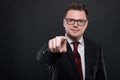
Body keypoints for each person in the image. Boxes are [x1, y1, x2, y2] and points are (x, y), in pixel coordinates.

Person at [36, 2, 107, 80]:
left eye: (80, 21)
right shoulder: (56, 44)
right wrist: (51, 49)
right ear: (64, 22)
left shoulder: (96, 48)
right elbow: (41, 58)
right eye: (71, 20)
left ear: (86, 24)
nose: (75, 25)